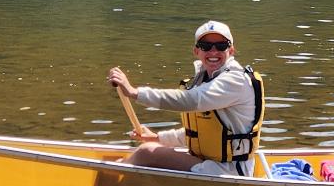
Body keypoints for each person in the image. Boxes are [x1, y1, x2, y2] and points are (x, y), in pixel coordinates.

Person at [107, 20, 265, 177]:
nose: (213, 51)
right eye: (205, 46)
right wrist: (158, 138)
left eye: (221, 45)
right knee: (150, 146)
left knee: (146, 153)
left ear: (231, 50)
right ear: (197, 51)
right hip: (211, 165)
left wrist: (135, 93)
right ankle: (118, 171)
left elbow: (189, 100)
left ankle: (110, 177)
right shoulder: (204, 79)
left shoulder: (234, 80)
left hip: (229, 171)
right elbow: (202, 133)